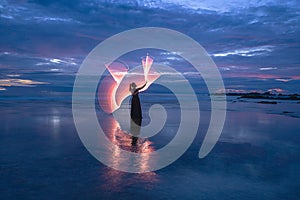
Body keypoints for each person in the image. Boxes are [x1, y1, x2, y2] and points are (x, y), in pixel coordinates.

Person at [129, 82, 147, 146]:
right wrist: (145, 84)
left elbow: (131, 90)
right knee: (136, 108)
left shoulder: (133, 90)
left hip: (134, 100)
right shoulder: (135, 90)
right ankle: (136, 116)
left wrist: (130, 85)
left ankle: (135, 116)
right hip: (135, 99)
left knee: (135, 108)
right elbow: (141, 87)